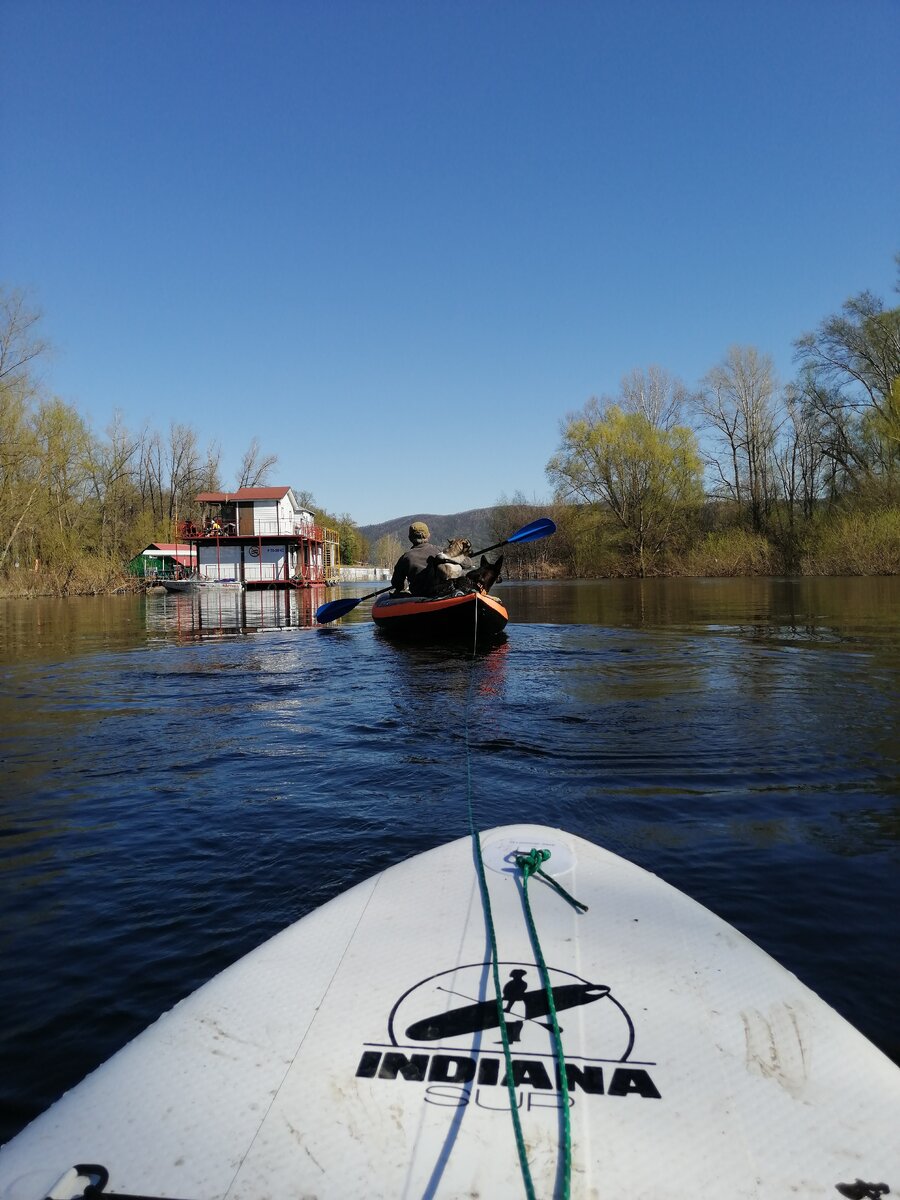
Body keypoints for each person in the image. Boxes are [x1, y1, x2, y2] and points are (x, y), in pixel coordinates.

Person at [391, 522, 441, 596]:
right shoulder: (440, 551)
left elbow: (397, 584)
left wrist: (405, 585)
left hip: (419, 596)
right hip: (441, 593)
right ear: (428, 536)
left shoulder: (405, 558)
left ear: (410, 538)